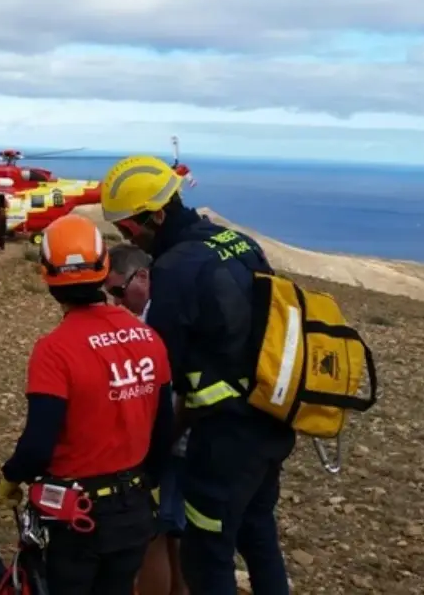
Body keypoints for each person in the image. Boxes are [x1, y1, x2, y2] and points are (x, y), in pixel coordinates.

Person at [99, 156, 296, 595]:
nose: (127, 236)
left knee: (208, 556)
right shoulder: (240, 243)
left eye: (129, 228)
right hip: (273, 418)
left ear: (158, 215)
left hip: (226, 437)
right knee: (259, 536)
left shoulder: (173, 271)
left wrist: (145, 455)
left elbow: (160, 374)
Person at [0, 213, 176, 595]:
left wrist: (13, 476)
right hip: (133, 509)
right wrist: (147, 485)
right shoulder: (147, 337)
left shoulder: (55, 351)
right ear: (104, 269)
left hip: (79, 519)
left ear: (47, 277)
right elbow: (164, 427)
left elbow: (39, 442)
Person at [106, 243, 189, 595]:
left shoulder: (161, 319)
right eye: (108, 293)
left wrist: (159, 440)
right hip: (176, 440)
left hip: (170, 442)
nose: (115, 302)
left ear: (142, 276)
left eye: (118, 291)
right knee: (173, 532)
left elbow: (178, 389)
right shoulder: (157, 311)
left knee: (153, 533)